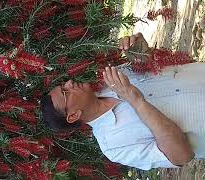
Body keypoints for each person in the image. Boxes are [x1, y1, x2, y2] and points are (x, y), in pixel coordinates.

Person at [40, 33, 205, 170]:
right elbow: (182, 156)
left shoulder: (110, 79)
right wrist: (137, 102)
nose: (69, 83)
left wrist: (142, 52)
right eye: (65, 92)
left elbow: (157, 67)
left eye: (63, 85)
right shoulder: (113, 146)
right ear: (73, 115)